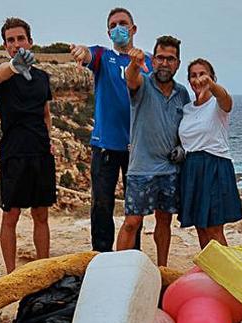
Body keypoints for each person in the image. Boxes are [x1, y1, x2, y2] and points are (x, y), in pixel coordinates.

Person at [69, 7, 153, 252]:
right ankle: (101, 254)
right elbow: (86, 55)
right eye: (113, 25)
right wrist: (80, 52)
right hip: (105, 144)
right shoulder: (103, 56)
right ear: (108, 32)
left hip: (137, 147)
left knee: (135, 209)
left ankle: (131, 254)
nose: (118, 28)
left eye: (123, 23)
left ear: (133, 28)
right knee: (102, 204)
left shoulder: (146, 60)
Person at [116, 35, 190, 267]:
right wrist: (134, 64)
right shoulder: (143, 83)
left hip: (169, 170)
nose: (164, 63)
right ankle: (119, 270)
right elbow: (131, 78)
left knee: (164, 221)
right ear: (153, 59)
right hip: (141, 169)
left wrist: (182, 148)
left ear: (177, 63)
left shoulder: (182, 94)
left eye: (170, 59)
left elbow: (186, 129)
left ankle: (162, 268)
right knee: (132, 222)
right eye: (160, 58)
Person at [0, 17, 55, 274]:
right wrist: (14, 67)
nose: (16, 44)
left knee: (41, 215)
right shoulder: (0, 73)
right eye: (10, 40)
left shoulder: (41, 78)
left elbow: (46, 113)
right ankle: (11, 274)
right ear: (5, 46)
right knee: (11, 216)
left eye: (20, 38)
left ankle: (43, 271)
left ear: (30, 41)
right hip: (14, 153)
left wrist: (47, 140)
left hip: (40, 152)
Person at [178, 57, 241, 248]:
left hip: (214, 166)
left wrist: (211, 85)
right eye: (193, 76)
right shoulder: (187, 109)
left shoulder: (217, 104)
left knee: (214, 229)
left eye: (203, 74)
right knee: (200, 227)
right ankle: (209, 273)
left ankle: (226, 276)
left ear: (212, 77)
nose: (198, 80)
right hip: (192, 168)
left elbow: (226, 99)